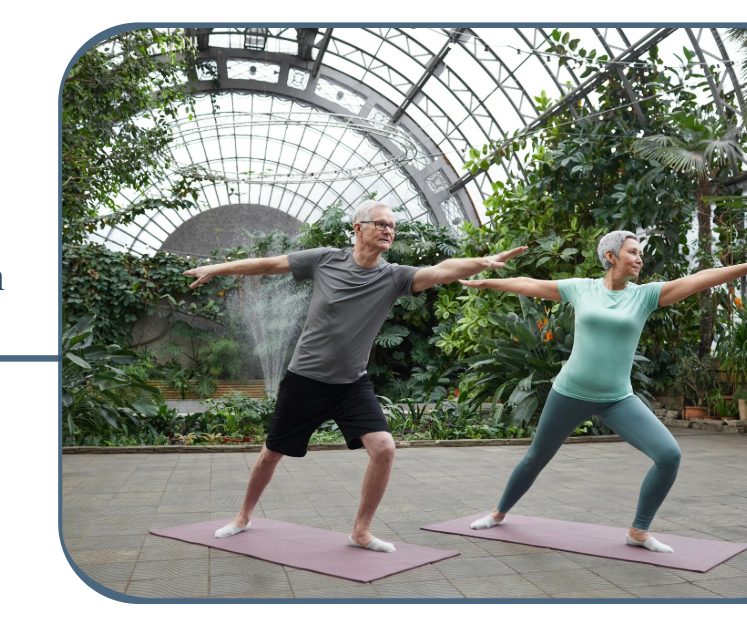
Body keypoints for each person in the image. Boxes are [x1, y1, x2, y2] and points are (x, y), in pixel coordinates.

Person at [183, 200, 527, 552]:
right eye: (380, 223)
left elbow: (441, 270)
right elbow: (271, 264)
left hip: (351, 383)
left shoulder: (395, 276)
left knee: (384, 449)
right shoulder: (326, 259)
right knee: (271, 453)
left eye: (392, 226)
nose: (388, 230)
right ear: (358, 228)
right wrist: (219, 268)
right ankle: (242, 517)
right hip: (305, 379)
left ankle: (360, 531)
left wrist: (483, 262)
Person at [463, 230, 747, 553]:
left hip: (617, 400)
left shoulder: (645, 296)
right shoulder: (581, 289)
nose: (640, 258)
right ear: (611, 257)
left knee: (669, 455)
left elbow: (700, 279)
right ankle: (498, 513)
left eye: (641, 253)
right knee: (535, 458)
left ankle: (638, 531)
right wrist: (487, 282)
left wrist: (744, 267)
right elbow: (529, 284)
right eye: (633, 252)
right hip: (569, 393)